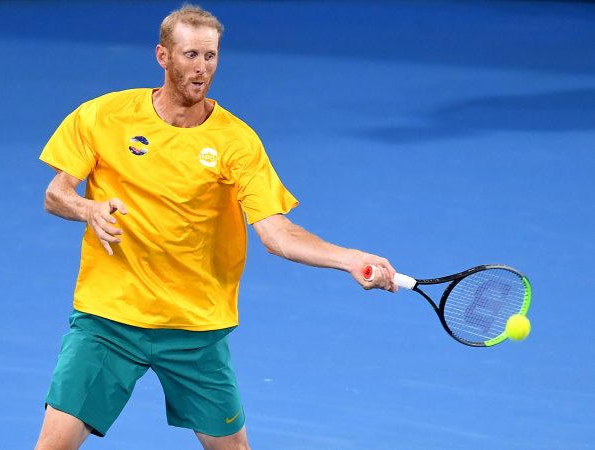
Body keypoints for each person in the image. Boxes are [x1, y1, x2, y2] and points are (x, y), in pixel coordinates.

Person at [35, 4, 397, 450]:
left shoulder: (236, 142)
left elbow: (276, 233)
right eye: (190, 55)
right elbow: (56, 193)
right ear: (162, 56)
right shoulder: (102, 115)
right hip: (109, 318)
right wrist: (87, 209)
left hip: (195, 327)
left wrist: (350, 259)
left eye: (210, 56)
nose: (201, 68)